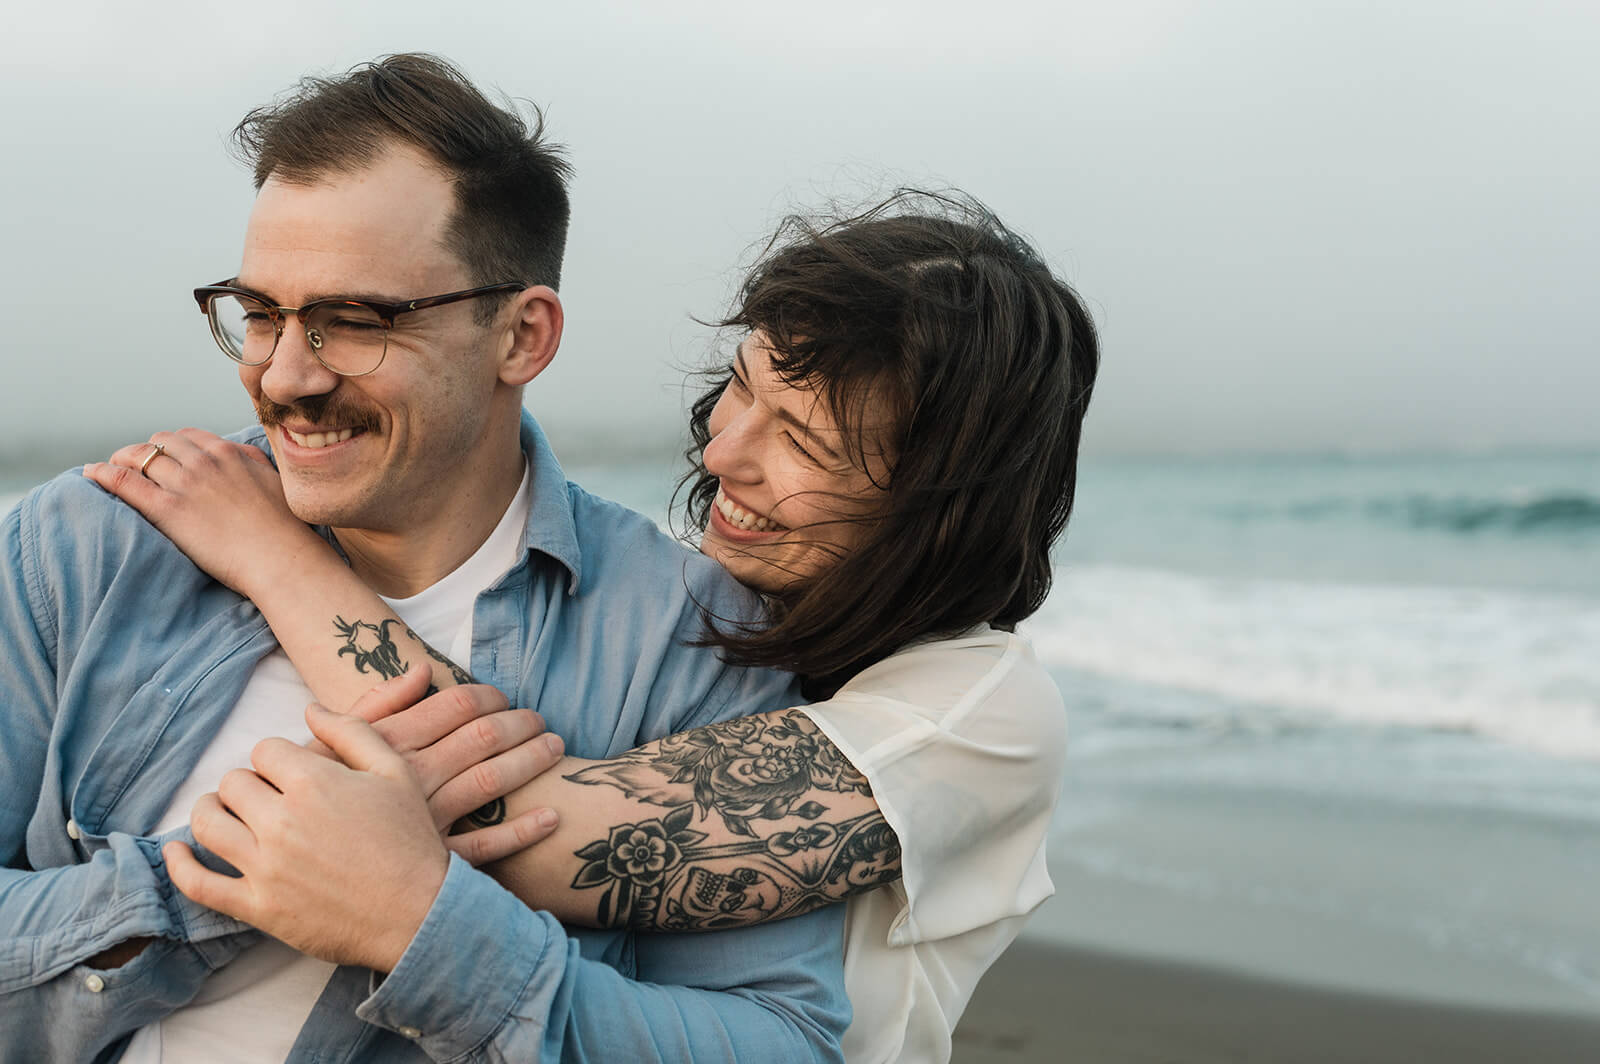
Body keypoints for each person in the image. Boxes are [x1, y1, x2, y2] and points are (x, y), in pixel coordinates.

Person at [87, 191, 1100, 1061]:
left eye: (799, 439)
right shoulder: (711, 618)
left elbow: (554, 836)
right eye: (738, 390)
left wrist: (274, 556)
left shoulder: (978, 707)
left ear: (943, 503)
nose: (722, 453)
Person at [0, 55, 852, 1063]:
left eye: (354, 321)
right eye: (261, 311)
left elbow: (780, 1044)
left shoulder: (687, 640)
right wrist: (223, 877)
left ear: (522, 335)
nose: (284, 374)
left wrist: (425, 925)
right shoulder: (87, 543)